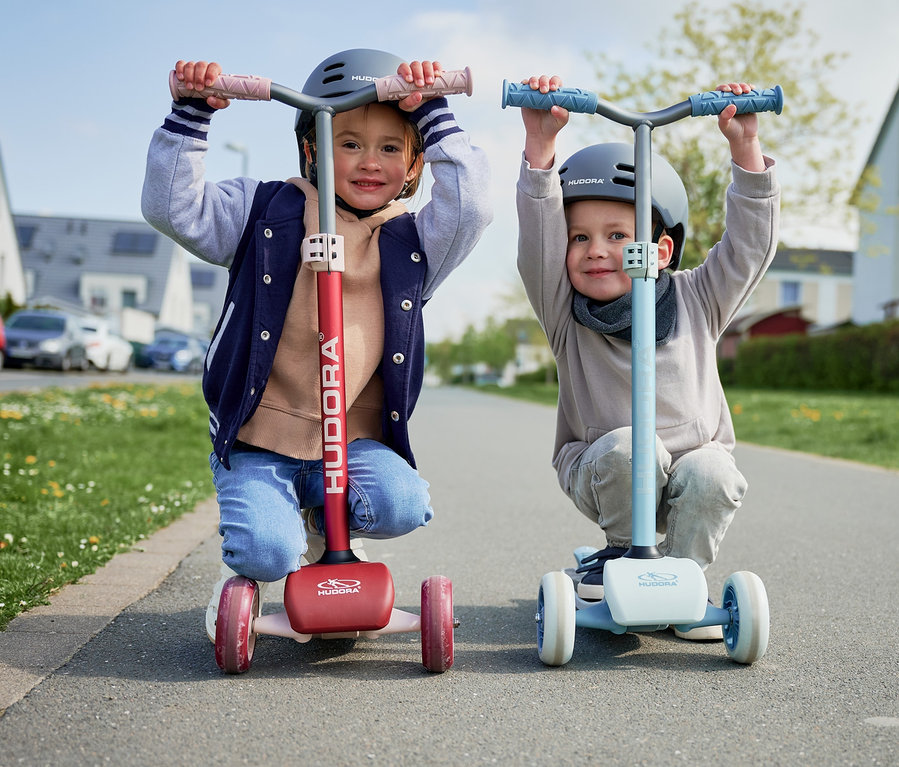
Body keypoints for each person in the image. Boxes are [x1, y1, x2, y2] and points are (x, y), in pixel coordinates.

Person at [141, 50, 492, 642]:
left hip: (351, 437)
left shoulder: (413, 240)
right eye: (348, 142)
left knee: (403, 505)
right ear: (312, 150)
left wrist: (432, 111)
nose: (369, 162)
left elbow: (473, 204)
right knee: (267, 555)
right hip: (262, 438)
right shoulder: (265, 210)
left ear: (414, 164)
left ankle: (323, 526)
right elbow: (174, 209)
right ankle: (260, 554)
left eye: (390, 147)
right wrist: (190, 117)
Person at [515, 75, 780, 640]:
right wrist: (541, 150)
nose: (597, 251)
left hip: (691, 471)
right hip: (603, 468)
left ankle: (683, 578)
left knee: (713, 471)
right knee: (629, 445)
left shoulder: (697, 298)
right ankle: (619, 553)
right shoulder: (565, 313)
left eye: (617, 234)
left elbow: (749, 248)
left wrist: (745, 148)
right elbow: (537, 243)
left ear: (659, 250)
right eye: (579, 238)